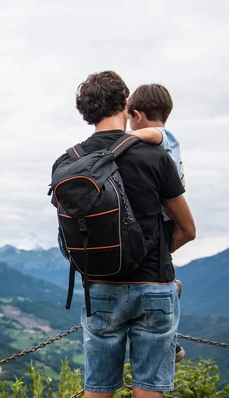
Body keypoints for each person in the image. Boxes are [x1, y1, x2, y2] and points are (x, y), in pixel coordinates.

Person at [51, 71, 196, 397]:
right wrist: (155, 250)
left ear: (86, 112)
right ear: (126, 101)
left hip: (98, 287)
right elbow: (188, 229)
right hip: (154, 284)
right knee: (148, 391)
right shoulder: (154, 155)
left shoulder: (69, 161)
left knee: (97, 390)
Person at [127, 83, 186, 362]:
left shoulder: (162, 136)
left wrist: (120, 139)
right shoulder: (167, 142)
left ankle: (173, 342)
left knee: (162, 276)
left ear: (137, 114)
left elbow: (149, 133)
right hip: (165, 219)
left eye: (129, 118)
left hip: (163, 221)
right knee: (167, 278)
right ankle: (173, 340)